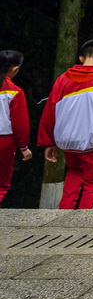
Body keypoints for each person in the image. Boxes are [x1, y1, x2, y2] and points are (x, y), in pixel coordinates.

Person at [38, 40, 93, 209]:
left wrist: (48, 142)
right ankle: (83, 223)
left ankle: (63, 214)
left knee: (74, 172)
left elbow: (49, 110)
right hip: (90, 142)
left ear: (81, 58)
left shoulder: (62, 79)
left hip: (66, 141)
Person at [0, 50, 32, 204]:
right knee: (1, 185)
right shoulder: (14, 91)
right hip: (4, 142)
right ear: (14, 69)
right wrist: (24, 147)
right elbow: (20, 123)